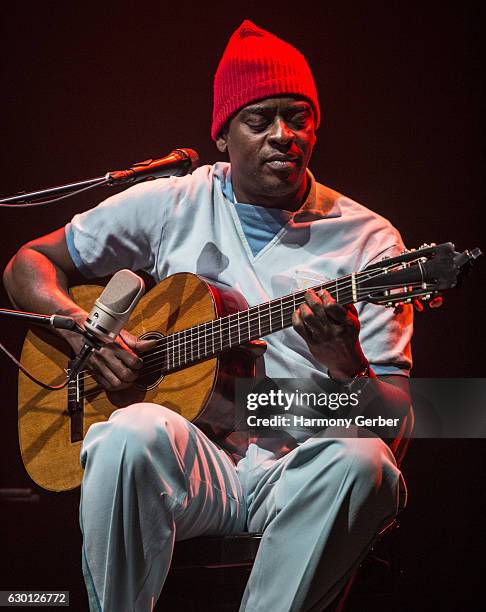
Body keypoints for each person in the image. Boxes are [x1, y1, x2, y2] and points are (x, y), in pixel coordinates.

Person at [4, 20, 413, 612]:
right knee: (126, 432)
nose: (283, 136)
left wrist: (347, 365)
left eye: (298, 117)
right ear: (223, 135)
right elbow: (28, 264)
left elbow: (399, 421)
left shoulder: (369, 243)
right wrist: (89, 337)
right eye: (259, 120)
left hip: (298, 472)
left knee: (364, 462)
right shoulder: (175, 202)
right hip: (196, 468)